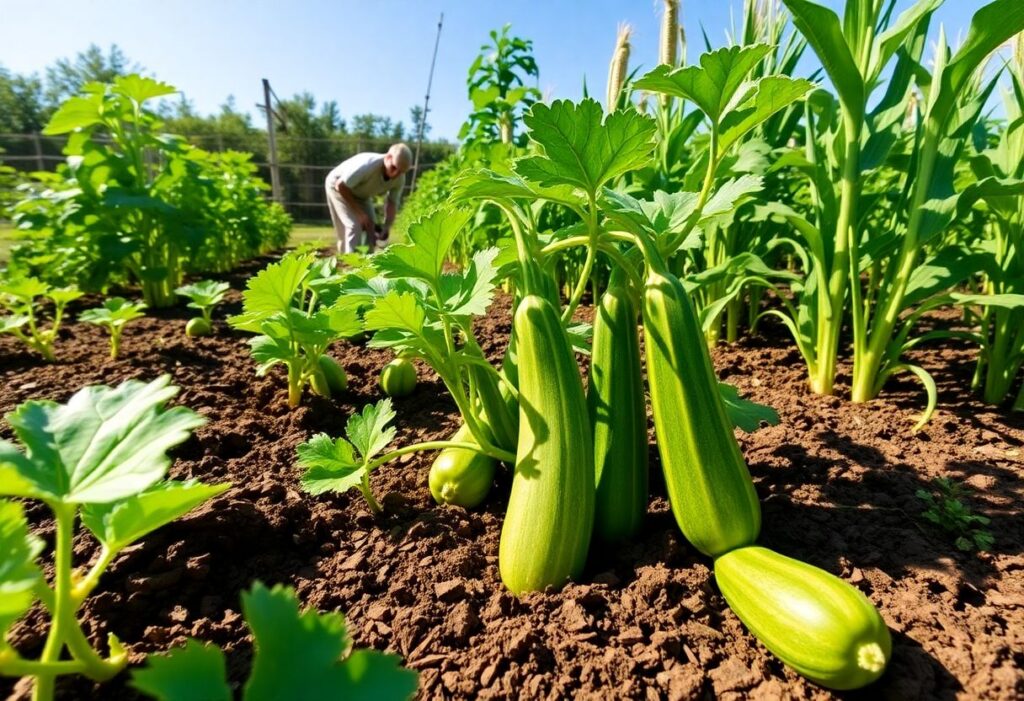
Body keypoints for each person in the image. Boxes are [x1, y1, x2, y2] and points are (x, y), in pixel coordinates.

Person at [324, 142, 412, 254]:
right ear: (388, 157)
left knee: (370, 226)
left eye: (401, 172)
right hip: (337, 187)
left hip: (361, 195)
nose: (395, 174)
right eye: (394, 168)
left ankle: (368, 265)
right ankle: (349, 265)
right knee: (354, 226)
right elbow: (340, 186)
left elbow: (392, 203)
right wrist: (360, 214)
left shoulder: (400, 179)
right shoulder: (368, 165)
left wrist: (387, 227)